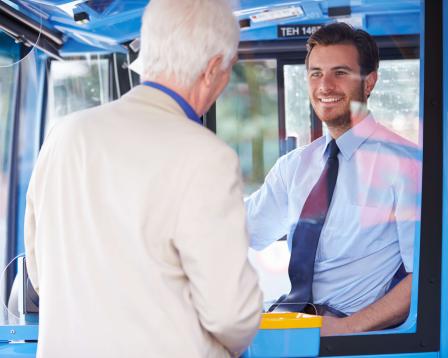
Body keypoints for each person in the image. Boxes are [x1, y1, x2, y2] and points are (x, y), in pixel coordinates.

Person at [24, 1, 263, 357]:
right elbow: (232, 316)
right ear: (213, 69)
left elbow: (40, 274)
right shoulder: (207, 156)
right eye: (229, 69)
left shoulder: (64, 135)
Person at [245, 22, 420, 336]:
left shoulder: (407, 165)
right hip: (293, 326)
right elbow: (240, 230)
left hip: (358, 335)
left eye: (340, 73)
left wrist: (345, 329)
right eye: (315, 73)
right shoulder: (295, 166)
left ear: (369, 83)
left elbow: (426, 276)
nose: (324, 86)